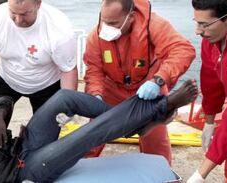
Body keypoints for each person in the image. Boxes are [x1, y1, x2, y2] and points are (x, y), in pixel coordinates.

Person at [0, 50, 199, 182]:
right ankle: (157, 109)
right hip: (22, 172)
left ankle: (140, 121)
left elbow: (2, 98)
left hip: (24, 144)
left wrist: (1, 116)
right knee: (86, 136)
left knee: (63, 98)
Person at [82, 0, 196, 163]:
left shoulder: (153, 25)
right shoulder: (97, 35)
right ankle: (81, 168)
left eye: (113, 23)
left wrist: (159, 79)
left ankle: (161, 176)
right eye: (104, 21)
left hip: (149, 89)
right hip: (112, 90)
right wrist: (95, 95)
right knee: (92, 133)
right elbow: (94, 70)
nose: (107, 27)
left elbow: (183, 50)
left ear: (131, 17)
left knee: (155, 139)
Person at [0, 0, 78, 113]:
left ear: (38, 4)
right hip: (8, 79)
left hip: (46, 84)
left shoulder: (59, 28)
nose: (18, 20)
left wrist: (67, 104)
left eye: (24, 14)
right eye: (13, 12)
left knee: (42, 129)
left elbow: (68, 70)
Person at [187, 0, 227, 182]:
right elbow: (211, 81)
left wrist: (201, 173)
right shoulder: (213, 39)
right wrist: (209, 121)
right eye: (196, 22)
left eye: (204, 24)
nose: (198, 31)